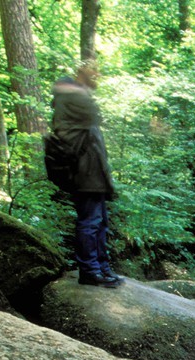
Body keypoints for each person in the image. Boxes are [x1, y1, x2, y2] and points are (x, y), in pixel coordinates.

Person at [48, 62, 123, 287]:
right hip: (85, 174)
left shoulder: (78, 104)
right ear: (82, 75)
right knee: (90, 222)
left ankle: (101, 267)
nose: (97, 77)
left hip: (93, 174)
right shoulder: (74, 102)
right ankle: (90, 270)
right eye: (93, 74)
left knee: (100, 223)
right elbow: (89, 115)